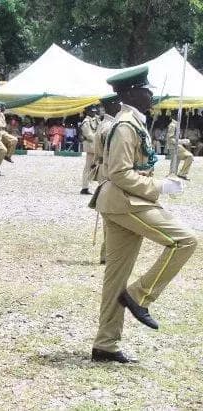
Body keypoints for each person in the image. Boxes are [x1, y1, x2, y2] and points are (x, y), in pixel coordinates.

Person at [90, 66, 197, 363]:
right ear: (129, 93)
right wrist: (160, 186)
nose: (151, 93)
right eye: (145, 89)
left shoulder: (133, 122)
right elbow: (120, 172)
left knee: (115, 277)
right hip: (126, 201)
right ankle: (140, 295)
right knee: (185, 241)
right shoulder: (125, 125)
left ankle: (105, 344)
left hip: (122, 201)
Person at [93, 93, 121, 265]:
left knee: (109, 214)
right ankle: (108, 253)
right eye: (119, 104)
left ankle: (107, 253)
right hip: (110, 172)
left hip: (103, 170)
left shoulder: (104, 124)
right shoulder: (111, 126)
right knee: (111, 215)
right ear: (113, 106)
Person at [165, 110, 194, 180]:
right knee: (189, 156)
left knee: (175, 162)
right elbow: (170, 139)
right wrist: (182, 141)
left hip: (176, 146)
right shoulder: (172, 125)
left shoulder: (176, 124)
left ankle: (172, 174)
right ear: (174, 116)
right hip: (174, 146)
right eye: (178, 115)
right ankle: (182, 174)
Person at [80, 105, 100, 194]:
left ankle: (100, 186)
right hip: (91, 146)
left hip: (96, 147)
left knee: (98, 166)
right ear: (87, 112)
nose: (94, 113)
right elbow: (89, 135)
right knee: (88, 167)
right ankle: (85, 187)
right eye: (92, 111)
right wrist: (100, 140)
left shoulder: (96, 120)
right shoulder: (86, 122)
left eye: (95, 111)